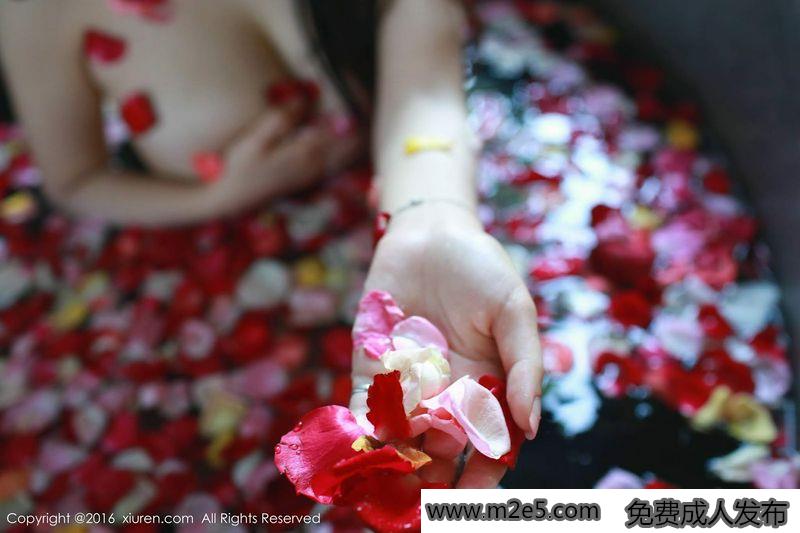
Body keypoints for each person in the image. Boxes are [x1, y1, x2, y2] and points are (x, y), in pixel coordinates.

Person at [0, 0, 542, 488]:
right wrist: (215, 198)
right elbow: (75, 180)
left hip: (405, 220)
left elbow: (424, 85)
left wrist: (432, 217)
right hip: (217, 284)